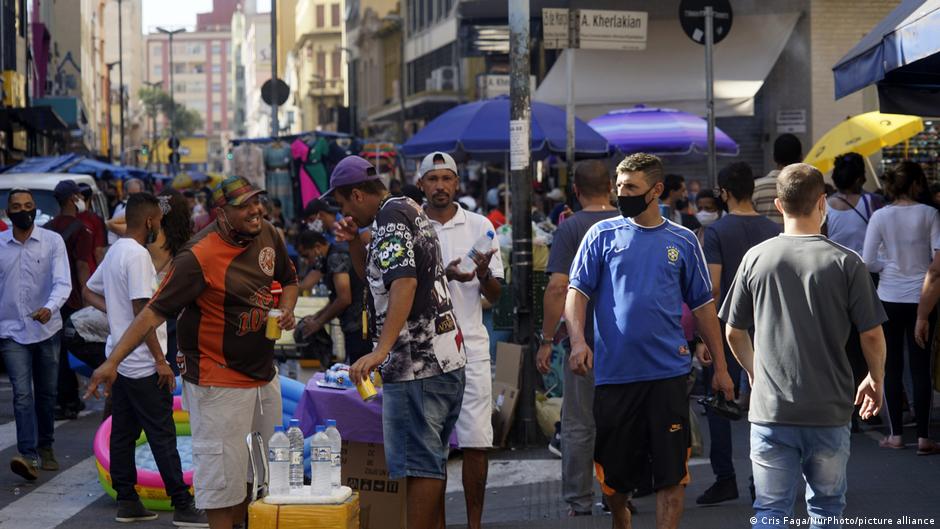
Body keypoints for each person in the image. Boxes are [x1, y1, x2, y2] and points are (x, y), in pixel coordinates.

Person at [85, 176, 298, 529]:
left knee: (256, 469)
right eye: (244, 205)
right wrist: (112, 361)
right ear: (222, 213)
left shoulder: (269, 234)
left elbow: (288, 279)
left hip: (264, 375)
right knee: (219, 478)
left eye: (256, 201)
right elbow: (151, 312)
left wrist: (287, 308)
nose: (255, 209)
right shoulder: (197, 255)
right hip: (217, 380)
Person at [564, 153, 735, 529]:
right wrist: (578, 341)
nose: (621, 194)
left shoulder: (683, 240)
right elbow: (576, 292)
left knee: (671, 477)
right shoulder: (601, 235)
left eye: (631, 188)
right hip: (615, 377)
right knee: (614, 481)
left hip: (668, 375)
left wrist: (721, 368)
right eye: (619, 186)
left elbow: (704, 306)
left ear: (656, 191)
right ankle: (621, 514)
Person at [720, 163, 887, 528]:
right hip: (828, 409)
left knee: (770, 511)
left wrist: (754, 371)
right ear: (822, 203)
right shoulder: (846, 262)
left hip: (770, 410)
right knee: (826, 509)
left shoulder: (755, 258)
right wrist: (876, 378)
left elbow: (734, 331)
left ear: (779, 205)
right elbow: (872, 334)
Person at [329, 156, 466, 529]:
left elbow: (404, 283)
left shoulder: (390, 221)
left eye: (343, 203)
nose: (344, 211)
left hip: (416, 364)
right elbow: (376, 279)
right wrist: (355, 241)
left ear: (357, 194)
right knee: (431, 463)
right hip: (444, 359)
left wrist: (381, 350)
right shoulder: (406, 208)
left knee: (420, 465)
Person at [82, 192, 206, 525]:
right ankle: (182, 504)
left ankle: (127, 501)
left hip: (119, 359)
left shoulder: (115, 250)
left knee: (123, 433)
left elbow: (87, 291)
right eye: (158, 222)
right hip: (141, 363)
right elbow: (145, 311)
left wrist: (116, 314)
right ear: (150, 221)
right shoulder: (137, 255)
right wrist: (160, 360)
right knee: (162, 435)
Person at [418, 152, 503, 529]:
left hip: (470, 345)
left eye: (446, 179)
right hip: (424, 349)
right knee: (430, 445)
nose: (440, 186)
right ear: (421, 184)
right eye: (432, 179)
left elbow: (497, 295)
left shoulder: (481, 225)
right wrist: (442, 276)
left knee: (476, 441)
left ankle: (474, 524)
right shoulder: (410, 223)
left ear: (456, 183)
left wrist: (483, 276)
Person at [536, 160, 620, 517]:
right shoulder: (628, 222)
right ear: (612, 187)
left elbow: (557, 287)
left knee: (579, 423)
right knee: (620, 421)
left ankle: (580, 500)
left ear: (575, 189)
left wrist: (546, 338)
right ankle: (619, 493)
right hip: (628, 343)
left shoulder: (571, 229)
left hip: (583, 341)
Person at [698, 162, 781, 505]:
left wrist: (705, 338)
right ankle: (764, 476)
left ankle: (725, 478)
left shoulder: (716, 232)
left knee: (721, 401)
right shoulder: (773, 229)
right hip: (769, 327)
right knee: (768, 404)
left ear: (724, 193)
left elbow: (713, 287)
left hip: (727, 328)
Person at [861, 161, 940, 455]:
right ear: (917, 183)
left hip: (888, 297)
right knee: (921, 367)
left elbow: (868, 262)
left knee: (890, 366)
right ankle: (923, 437)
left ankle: (895, 434)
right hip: (923, 298)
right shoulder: (930, 214)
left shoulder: (880, 216)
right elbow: (937, 259)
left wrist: (889, 265)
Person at [0, 189, 71, 480]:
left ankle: (46, 447)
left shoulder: (52, 242)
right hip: (11, 331)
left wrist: (49, 307)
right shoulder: (1, 245)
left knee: (46, 393)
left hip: (47, 329)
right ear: (8, 213)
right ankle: (27, 454)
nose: (23, 210)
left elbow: (62, 283)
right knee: (22, 394)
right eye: (17, 206)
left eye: (28, 205)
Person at [45, 179, 96, 420]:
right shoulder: (80, 229)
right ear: (70, 199)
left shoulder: (46, 228)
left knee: (52, 351)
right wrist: (87, 297)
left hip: (50, 298)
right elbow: (82, 265)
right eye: (77, 195)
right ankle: (70, 400)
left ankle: (57, 400)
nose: (80, 199)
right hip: (73, 298)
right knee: (69, 350)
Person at [295, 230, 371, 363]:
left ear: (317, 247)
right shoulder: (333, 254)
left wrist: (318, 323)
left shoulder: (336, 257)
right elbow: (336, 299)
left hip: (359, 325)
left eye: (307, 256)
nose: (307, 261)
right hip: (357, 323)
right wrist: (317, 316)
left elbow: (344, 299)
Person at [827, 152, 882, 254]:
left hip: (836, 266)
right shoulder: (871, 201)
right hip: (864, 266)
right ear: (858, 180)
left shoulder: (824, 206)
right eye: (864, 174)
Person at [752, 134, 802, 225]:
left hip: (765, 239)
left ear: (774, 156)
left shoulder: (756, 187)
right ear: (801, 157)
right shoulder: (806, 187)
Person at [107, 177, 145, 244]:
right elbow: (112, 232)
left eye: (136, 195)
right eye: (130, 195)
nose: (133, 197)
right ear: (126, 193)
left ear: (142, 192)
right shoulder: (120, 207)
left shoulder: (149, 208)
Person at [78, 182, 108, 265]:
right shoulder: (95, 220)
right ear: (91, 199)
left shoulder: (65, 218)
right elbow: (98, 252)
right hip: (90, 272)